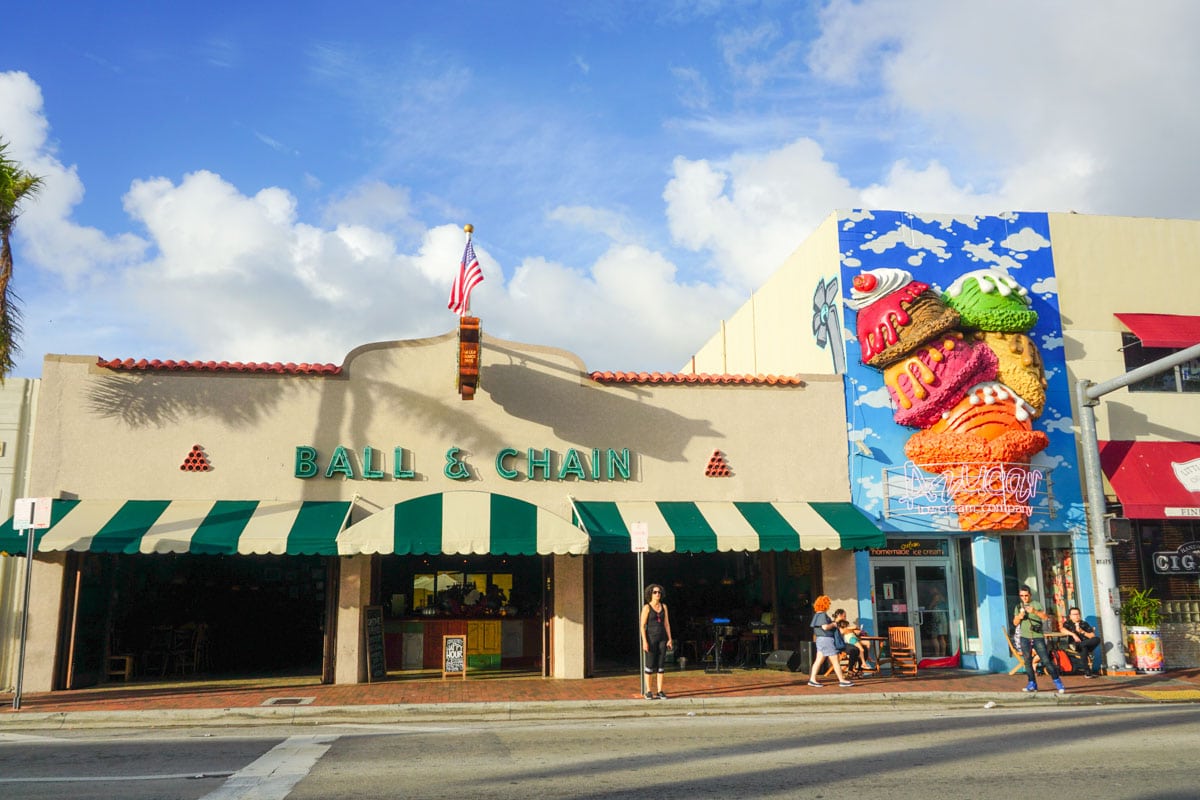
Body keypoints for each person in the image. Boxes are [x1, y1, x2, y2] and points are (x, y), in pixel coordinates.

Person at [1013, 587, 1065, 694]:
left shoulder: (1036, 604)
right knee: (1027, 661)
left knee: (1045, 660)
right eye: (1022, 596)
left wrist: (1034, 611)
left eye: (1026, 595)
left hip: (1037, 636)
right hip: (1025, 637)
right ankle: (1032, 683)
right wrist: (1019, 616)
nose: (1024, 598)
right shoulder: (1018, 606)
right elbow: (1015, 623)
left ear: (1030, 595)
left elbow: (1045, 617)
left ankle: (1058, 682)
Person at [807, 596, 854, 688]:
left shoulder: (816, 615)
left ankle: (812, 679)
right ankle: (842, 680)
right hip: (826, 640)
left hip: (820, 640)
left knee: (818, 660)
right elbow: (825, 627)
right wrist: (833, 624)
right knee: (835, 660)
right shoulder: (823, 615)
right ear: (825, 604)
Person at [639, 584, 673, 699]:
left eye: (659, 592)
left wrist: (669, 638)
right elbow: (642, 626)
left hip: (662, 638)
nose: (657, 594)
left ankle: (660, 690)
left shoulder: (664, 607)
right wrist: (644, 641)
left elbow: (667, 624)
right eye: (655, 592)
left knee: (661, 665)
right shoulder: (647, 607)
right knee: (649, 665)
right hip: (651, 639)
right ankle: (648, 690)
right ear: (650, 594)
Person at [1061, 606, 1103, 678]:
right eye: (1074, 614)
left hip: (1086, 643)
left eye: (1078, 614)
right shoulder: (1068, 623)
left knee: (1097, 639)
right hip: (1075, 645)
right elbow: (1062, 630)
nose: (1077, 616)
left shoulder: (1084, 623)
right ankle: (1087, 672)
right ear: (1070, 616)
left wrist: (1082, 631)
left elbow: (1092, 636)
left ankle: (1087, 672)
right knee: (1084, 648)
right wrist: (1073, 634)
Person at [927, 588, 948, 657]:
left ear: (935, 589)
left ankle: (937, 654)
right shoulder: (942, 597)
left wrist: (929, 607)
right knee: (942, 637)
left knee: (934, 637)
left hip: (937, 618)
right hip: (943, 617)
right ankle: (943, 654)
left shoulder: (936, 597)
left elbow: (930, 607)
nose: (930, 591)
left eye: (931, 589)